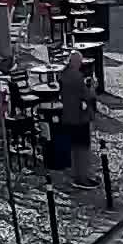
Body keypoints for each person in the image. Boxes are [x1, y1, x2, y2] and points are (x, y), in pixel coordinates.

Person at [55, 50, 94, 187]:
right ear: (77, 62)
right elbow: (87, 96)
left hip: (66, 115)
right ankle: (81, 178)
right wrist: (91, 88)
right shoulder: (77, 77)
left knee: (73, 147)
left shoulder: (62, 74)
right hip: (79, 117)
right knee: (82, 149)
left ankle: (74, 175)